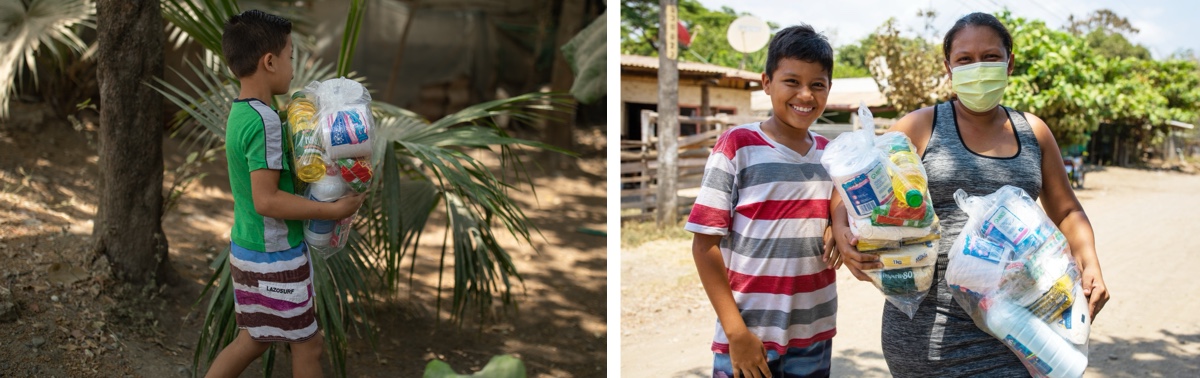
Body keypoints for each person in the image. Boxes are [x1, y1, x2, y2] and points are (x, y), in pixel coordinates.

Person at [831, 12, 1111, 377]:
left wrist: (1090, 260)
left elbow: (1067, 210)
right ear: (949, 68)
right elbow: (852, 185)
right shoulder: (920, 126)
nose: (978, 68)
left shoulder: (1033, 133)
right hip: (926, 335)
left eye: (990, 57)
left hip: (1021, 328)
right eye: (964, 59)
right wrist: (841, 227)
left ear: (1009, 63)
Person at [204, 10, 365, 378]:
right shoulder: (265, 122)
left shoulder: (245, 113)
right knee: (308, 345)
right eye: (291, 57)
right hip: (275, 255)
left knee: (254, 340)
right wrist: (333, 209)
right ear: (270, 61)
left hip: (250, 248)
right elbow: (268, 200)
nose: (294, 67)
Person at [686, 24, 841, 378]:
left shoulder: (833, 157)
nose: (806, 94)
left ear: (829, 89)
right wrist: (736, 333)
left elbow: (841, 217)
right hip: (748, 336)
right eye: (792, 81)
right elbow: (703, 245)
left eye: (818, 84)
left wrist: (837, 226)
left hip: (813, 332)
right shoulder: (737, 145)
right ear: (766, 82)